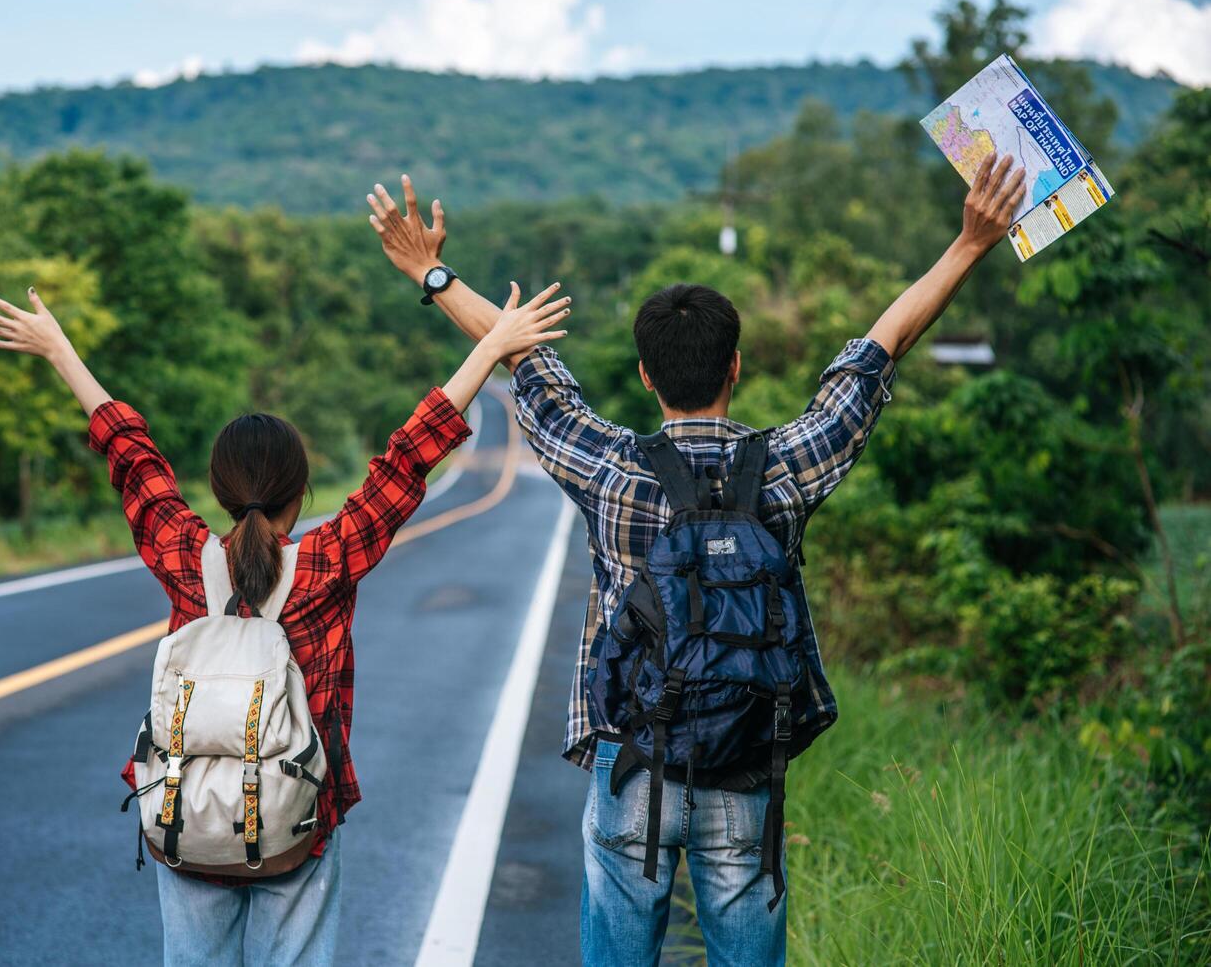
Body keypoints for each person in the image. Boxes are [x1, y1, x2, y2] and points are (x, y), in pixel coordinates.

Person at [367, 155, 1026, 966]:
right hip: (747, 763)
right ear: (736, 368)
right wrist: (968, 244)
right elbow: (875, 355)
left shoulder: (608, 469)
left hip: (631, 760)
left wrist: (431, 273)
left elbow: (521, 361)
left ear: (646, 377)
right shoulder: (786, 465)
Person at [0, 278, 572, 966]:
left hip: (187, 814)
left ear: (222, 492)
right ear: (300, 489)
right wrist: (491, 344)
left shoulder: (186, 560)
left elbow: (134, 459)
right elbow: (406, 460)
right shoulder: (325, 562)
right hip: (297, 821)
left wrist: (60, 351)